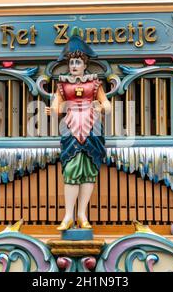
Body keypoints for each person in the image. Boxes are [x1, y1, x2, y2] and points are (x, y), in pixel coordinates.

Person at [45, 29, 111, 231]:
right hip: (70, 130)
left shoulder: (95, 83)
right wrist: (59, 108)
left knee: (89, 171)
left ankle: (82, 214)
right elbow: (56, 107)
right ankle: (68, 216)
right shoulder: (62, 85)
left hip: (92, 129)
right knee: (72, 170)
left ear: (85, 65)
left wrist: (101, 107)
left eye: (77, 62)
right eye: (71, 63)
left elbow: (107, 107)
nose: (74, 66)